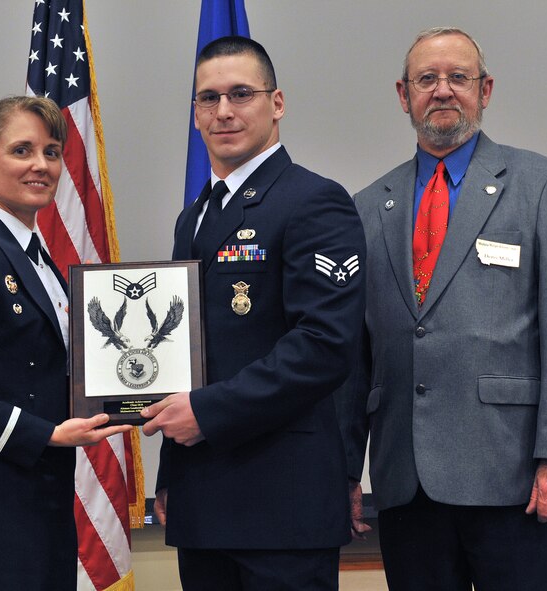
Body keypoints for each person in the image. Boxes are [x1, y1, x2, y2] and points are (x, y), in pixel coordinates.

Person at [346, 27, 547, 590]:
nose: (442, 90)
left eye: (458, 78)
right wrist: (347, 469)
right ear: (403, 94)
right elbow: (356, 354)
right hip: (405, 479)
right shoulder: (367, 207)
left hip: (512, 479)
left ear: (485, 91)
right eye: (426, 79)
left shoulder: (541, 185)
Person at [140, 36, 366, 590]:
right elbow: (185, 352)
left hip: (282, 501)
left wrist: (209, 413)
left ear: (277, 103)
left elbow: (323, 345)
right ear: (195, 114)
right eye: (208, 98)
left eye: (241, 94)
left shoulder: (315, 201)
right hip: (202, 492)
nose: (224, 111)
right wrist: (171, 471)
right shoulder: (192, 219)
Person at [0, 96, 131, 590]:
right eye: (22, 150)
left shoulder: (37, 258)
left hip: (40, 494)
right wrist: (49, 435)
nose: (41, 165)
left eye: (52, 152)